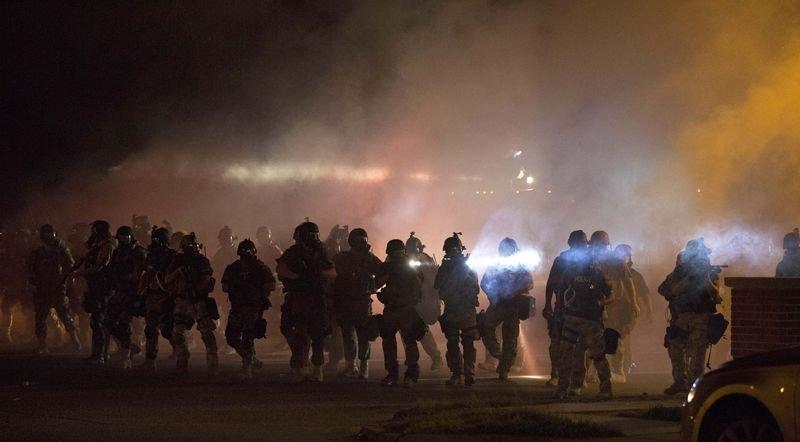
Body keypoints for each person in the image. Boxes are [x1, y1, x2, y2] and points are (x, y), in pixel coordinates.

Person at [659, 238, 722, 395]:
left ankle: (694, 386)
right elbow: (665, 290)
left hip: (700, 317)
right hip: (680, 317)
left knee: (697, 352)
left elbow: (717, 296)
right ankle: (679, 382)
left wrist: (705, 279)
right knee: (675, 350)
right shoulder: (679, 272)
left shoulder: (709, 272)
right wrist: (687, 279)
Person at [276, 221, 336, 382]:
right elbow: (281, 268)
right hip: (298, 298)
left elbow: (332, 272)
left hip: (317, 298)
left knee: (318, 336)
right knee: (296, 334)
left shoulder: (323, 251)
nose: (313, 238)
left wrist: (317, 273)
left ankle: (317, 369)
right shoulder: (293, 252)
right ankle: (299, 366)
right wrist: (297, 276)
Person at [555, 239, 614, 400]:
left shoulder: (596, 274)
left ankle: (604, 388)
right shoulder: (573, 272)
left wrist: (601, 302)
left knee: (597, 355)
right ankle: (564, 388)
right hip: (576, 319)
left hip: (589, 320)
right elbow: (561, 292)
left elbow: (610, 294)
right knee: (569, 354)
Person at [479, 237, 534, 381]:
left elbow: (529, 284)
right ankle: (498, 355)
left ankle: (504, 370)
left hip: (513, 306)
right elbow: (484, 283)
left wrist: (515, 291)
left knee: (510, 339)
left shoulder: (520, 265)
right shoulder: (496, 264)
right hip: (498, 303)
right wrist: (493, 295)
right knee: (485, 327)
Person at [588, 231, 638, 384]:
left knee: (614, 337)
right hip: (594, 305)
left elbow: (628, 281)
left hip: (614, 305)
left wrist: (634, 302)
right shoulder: (589, 259)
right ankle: (590, 372)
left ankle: (618, 371)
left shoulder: (616, 260)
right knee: (593, 338)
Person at [221, 239, 276, 379]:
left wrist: (257, 290)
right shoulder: (233, 268)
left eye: (249, 251)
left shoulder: (260, 267)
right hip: (238, 307)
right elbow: (224, 286)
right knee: (231, 337)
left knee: (247, 337)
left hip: (253, 307)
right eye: (245, 251)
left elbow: (271, 284)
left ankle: (247, 368)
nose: (247, 253)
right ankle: (251, 360)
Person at [165, 233, 218, 374]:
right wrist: (178, 272)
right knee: (177, 334)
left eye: (194, 245)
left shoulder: (202, 261)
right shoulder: (177, 261)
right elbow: (167, 280)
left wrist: (197, 283)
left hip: (198, 301)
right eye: (189, 245)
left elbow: (207, 279)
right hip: (182, 301)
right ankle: (182, 359)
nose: (192, 248)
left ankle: (212, 362)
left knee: (207, 333)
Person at [333, 228, 382, 379]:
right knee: (348, 335)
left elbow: (384, 272)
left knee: (363, 335)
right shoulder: (342, 257)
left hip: (361, 301)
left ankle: (363, 367)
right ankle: (351, 366)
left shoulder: (370, 258)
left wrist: (373, 287)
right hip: (346, 301)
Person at [26, 224, 81, 353]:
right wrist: (32, 283)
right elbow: (31, 269)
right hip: (42, 288)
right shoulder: (38, 252)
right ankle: (42, 345)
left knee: (65, 315)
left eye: (50, 233)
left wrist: (67, 282)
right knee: (40, 317)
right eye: (46, 234)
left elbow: (71, 266)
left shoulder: (62, 250)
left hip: (57, 287)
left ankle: (75, 341)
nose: (48, 236)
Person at [376, 239, 424, 387]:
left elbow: (377, 284)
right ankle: (408, 375)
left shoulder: (402, 267)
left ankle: (397, 374)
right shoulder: (409, 266)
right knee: (406, 342)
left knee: (396, 342)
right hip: (399, 308)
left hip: (400, 309)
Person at [435, 233, 480, 387]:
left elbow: (439, 288)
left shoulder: (453, 268)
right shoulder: (463, 267)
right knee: (462, 344)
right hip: (461, 311)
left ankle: (462, 374)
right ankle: (465, 374)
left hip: (458, 310)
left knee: (458, 343)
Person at [543, 230, 587, 386]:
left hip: (582, 309)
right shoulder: (561, 261)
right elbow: (551, 283)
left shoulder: (590, 262)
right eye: (579, 242)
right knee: (557, 342)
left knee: (580, 345)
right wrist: (548, 303)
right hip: (562, 308)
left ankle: (576, 378)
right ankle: (556, 374)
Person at [74, 220, 118, 365]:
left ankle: (102, 354)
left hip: (104, 288)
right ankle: (98, 354)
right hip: (95, 287)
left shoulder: (108, 245)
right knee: (96, 321)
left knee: (100, 321)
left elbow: (100, 266)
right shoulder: (97, 245)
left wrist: (79, 273)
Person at [106, 226, 147, 368]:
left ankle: (126, 357)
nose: (122, 239)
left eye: (125, 236)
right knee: (107, 321)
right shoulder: (118, 252)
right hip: (119, 292)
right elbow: (111, 271)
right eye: (120, 237)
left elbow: (140, 274)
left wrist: (138, 293)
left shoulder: (138, 252)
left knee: (125, 324)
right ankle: (128, 346)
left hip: (132, 293)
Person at [137, 227, 177, 371]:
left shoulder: (172, 256)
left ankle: (179, 350)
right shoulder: (152, 255)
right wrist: (141, 291)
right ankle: (150, 360)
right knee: (150, 329)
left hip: (166, 296)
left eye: (157, 239)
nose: (154, 242)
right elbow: (146, 274)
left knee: (167, 329)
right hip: (152, 296)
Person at [406, 232, 444, 371]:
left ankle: (436, 357)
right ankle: (413, 362)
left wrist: (435, 298)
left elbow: (433, 282)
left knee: (421, 331)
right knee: (409, 333)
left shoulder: (423, 259)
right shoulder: (410, 259)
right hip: (411, 301)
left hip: (423, 300)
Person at [612, 244, 652, 376]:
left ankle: (623, 367)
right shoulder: (610, 272)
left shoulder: (635, 275)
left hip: (627, 312)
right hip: (612, 310)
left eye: (625, 255)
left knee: (622, 338)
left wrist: (649, 311)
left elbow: (645, 294)